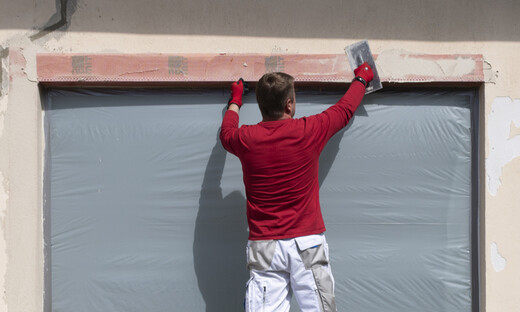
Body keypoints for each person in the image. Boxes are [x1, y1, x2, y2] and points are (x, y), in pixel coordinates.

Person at [219, 62, 374, 312]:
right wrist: (362, 78)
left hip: (265, 245)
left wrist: (236, 99)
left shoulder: (245, 139)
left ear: (261, 105)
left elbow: (226, 133)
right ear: (289, 104)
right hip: (307, 244)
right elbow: (344, 110)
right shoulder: (308, 131)